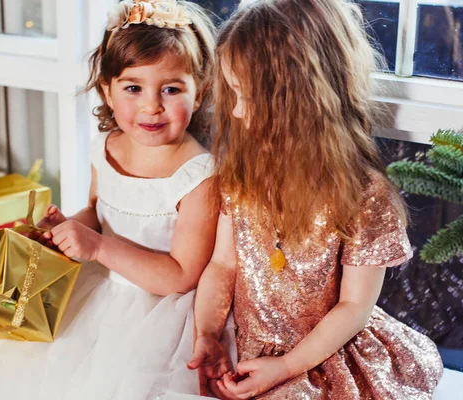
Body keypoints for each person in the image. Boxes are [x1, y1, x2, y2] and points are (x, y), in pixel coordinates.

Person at [0, 1, 220, 398]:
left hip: (158, 316)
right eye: (133, 87)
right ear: (107, 91)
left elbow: (181, 276)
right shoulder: (106, 147)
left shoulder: (199, 176)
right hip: (100, 289)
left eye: (172, 88)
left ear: (200, 93)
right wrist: (71, 228)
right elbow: (99, 211)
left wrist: (96, 245)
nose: (152, 105)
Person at [188, 0, 444, 398]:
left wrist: (286, 367)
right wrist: (207, 332)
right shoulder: (242, 175)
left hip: (321, 352)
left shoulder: (363, 195)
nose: (237, 112)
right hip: (248, 341)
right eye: (233, 94)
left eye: (250, 97)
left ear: (305, 99)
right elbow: (223, 266)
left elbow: (353, 307)